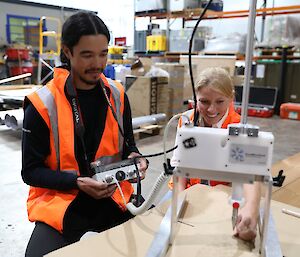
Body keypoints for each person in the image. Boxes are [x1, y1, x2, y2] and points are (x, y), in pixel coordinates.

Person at [21, 11, 147, 256]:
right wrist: (76, 182)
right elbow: (30, 171)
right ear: (67, 52)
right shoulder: (42, 104)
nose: (98, 64)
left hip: (113, 195)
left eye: (103, 54)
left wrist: (137, 159)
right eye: (87, 55)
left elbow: (129, 146)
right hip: (63, 201)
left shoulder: (117, 94)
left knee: (149, 247)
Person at [169, 67, 260, 241]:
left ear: (231, 98)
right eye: (204, 101)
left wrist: (251, 208)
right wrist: (178, 202)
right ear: (196, 97)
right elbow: (179, 167)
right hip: (190, 191)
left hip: (223, 193)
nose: (211, 110)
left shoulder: (239, 127)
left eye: (219, 101)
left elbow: (252, 174)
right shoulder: (187, 121)